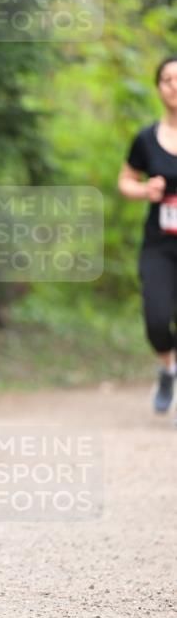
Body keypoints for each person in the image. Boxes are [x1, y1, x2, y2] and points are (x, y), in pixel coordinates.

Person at [118, 56, 177, 413]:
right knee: (156, 319)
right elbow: (125, 181)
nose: (175, 86)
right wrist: (145, 191)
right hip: (159, 243)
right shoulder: (146, 139)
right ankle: (168, 369)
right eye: (168, 79)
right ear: (158, 88)